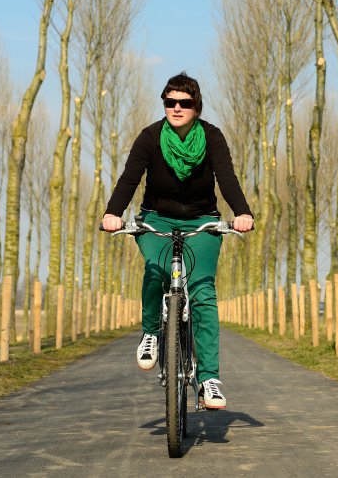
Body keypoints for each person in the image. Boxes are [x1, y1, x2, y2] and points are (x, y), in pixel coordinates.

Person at [102, 72, 253, 409]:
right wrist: (113, 213)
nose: (176, 108)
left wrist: (242, 213)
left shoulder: (212, 138)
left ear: (196, 106)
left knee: (202, 290)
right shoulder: (150, 138)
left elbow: (227, 178)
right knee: (156, 271)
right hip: (157, 218)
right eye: (170, 102)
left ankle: (209, 378)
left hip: (202, 221)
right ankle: (151, 333)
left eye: (184, 103)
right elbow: (129, 179)